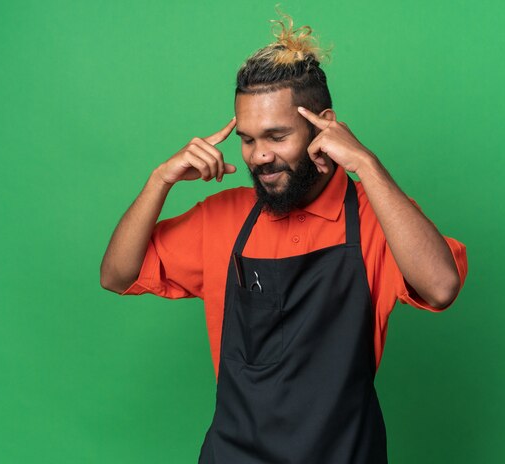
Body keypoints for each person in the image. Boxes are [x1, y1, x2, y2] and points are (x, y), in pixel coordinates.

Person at [100, 13, 468, 464]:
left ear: (324, 126)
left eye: (277, 136)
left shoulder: (377, 216)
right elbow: (117, 275)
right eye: (249, 139)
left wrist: (367, 166)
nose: (260, 156)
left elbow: (441, 286)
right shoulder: (222, 218)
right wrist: (160, 180)